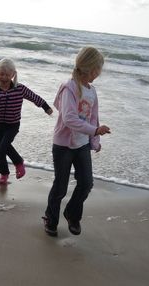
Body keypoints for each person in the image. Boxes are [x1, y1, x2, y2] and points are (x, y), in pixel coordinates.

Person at [43, 47, 111, 237]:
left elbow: (93, 118)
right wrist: (95, 130)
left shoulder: (92, 91)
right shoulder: (69, 87)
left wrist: (94, 140)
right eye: (98, 70)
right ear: (90, 68)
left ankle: (72, 214)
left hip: (82, 145)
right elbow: (69, 119)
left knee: (86, 183)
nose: (98, 74)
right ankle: (51, 218)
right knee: (60, 186)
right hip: (63, 145)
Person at [0, 58, 53, 185]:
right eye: (1, 74)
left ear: (13, 75)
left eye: (7, 75)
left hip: (12, 125)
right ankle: (4, 174)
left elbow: (34, 97)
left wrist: (45, 107)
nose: (4, 77)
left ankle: (18, 162)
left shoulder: (20, 89)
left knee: (4, 146)